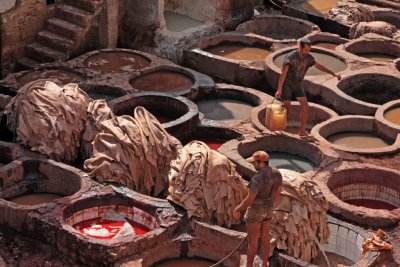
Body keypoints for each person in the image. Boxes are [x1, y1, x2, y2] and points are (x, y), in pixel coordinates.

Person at [274, 38, 342, 139]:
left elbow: (319, 66)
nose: (307, 52)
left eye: (308, 50)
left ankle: (301, 131)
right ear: (300, 47)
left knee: (306, 107)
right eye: (305, 50)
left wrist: (333, 73)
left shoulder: (308, 57)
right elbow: (283, 74)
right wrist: (279, 90)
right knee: (287, 108)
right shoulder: (290, 57)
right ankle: (279, 128)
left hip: (297, 84)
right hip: (287, 85)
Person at [233, 151, 282, 267]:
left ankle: (249, 266)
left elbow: (249, 200)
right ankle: (265, 264)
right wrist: (271, 204)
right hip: (268, 210)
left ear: (260, 163)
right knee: (265, 238)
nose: (253, 165)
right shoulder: (277, 173)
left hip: (255, 212)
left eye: (255, 162)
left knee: (253, 243)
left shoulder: (257, 179)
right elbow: (278, 191)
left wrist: (237, 209)